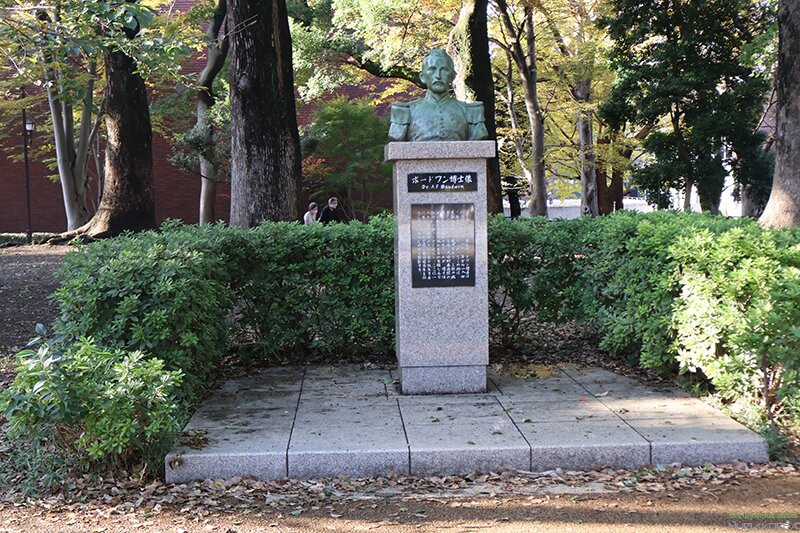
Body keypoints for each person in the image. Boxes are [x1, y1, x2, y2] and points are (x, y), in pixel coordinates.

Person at [388, 48, 488, 142]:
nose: (438, 76)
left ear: (452, 76)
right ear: (422, 77)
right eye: (432, 69)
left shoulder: (470, 111)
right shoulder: (406, 111)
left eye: (444, 70)